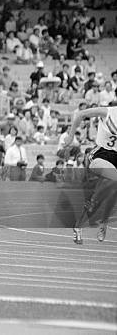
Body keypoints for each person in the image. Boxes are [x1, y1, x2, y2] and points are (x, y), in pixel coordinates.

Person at [65, 104, 117, 244]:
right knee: (114, 180)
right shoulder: (107, 112)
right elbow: (80, 114)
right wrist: (70, 137)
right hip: (101, 155)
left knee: (111, 190)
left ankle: (89, 224)